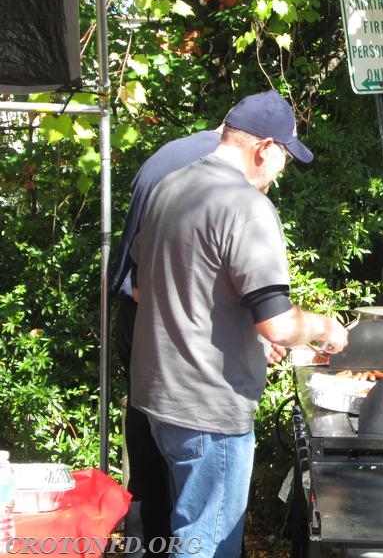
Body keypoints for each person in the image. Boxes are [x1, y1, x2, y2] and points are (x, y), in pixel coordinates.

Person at [129, 90, 348, 557]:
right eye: (284, 156)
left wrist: (238, 327)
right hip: (210, 411)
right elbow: (280, 327)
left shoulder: (170, 188)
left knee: (183, 530)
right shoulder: (246, 206)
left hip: (158, 401)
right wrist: (326, 326)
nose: (282, 170)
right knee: (205, 544)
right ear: (264, 147)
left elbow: (155, 289)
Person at [109, 125, 223, 554]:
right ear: (258, 146)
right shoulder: (207, 171)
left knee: (149, 454)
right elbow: (153, 279)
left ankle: (146, 546)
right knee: (181, 467)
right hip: (162, 331)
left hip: (144, 326)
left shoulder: (172, 155)